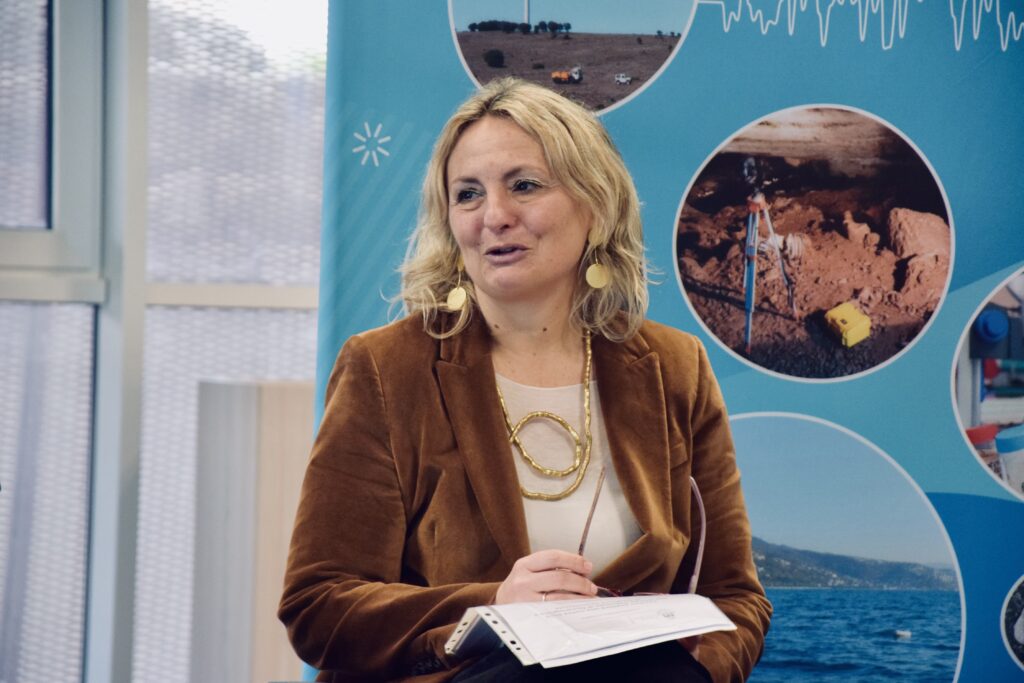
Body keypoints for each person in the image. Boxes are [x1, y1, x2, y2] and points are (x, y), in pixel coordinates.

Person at [279, 77, 771, 682]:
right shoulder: (384, 368)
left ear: (595, 206)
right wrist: (490, 608)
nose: (495, 216)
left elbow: (735, 600)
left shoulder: (675, 366)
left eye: (525, 185)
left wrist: (691, 672)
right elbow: (319, 607)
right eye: (467, 194)